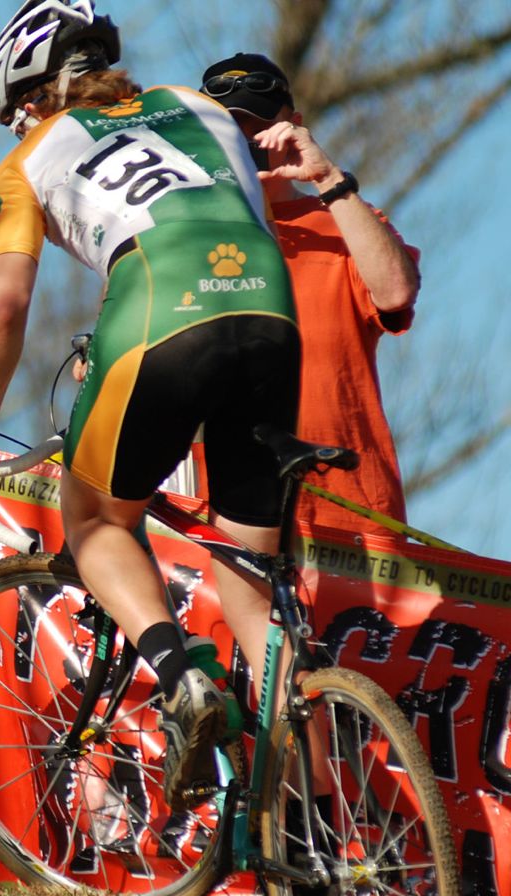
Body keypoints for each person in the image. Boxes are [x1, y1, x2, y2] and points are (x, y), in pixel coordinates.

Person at [0, 1, 301, 809]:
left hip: (159, 311)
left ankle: (179, 678)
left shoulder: (28, 157)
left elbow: (0, 307)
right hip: (270, 306)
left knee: (95, 521)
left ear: (29, 101)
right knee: (249, 568)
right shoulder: (200, 106)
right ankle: (301, 811)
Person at [200, 54, 421, 538]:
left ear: (294, 127)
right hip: (219, 513)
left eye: (258, 129)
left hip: (348, 508)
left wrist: (327, 180)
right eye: (228, 130)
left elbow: (396, 292)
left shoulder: (344, 219)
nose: (245, 142)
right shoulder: (186, 233)